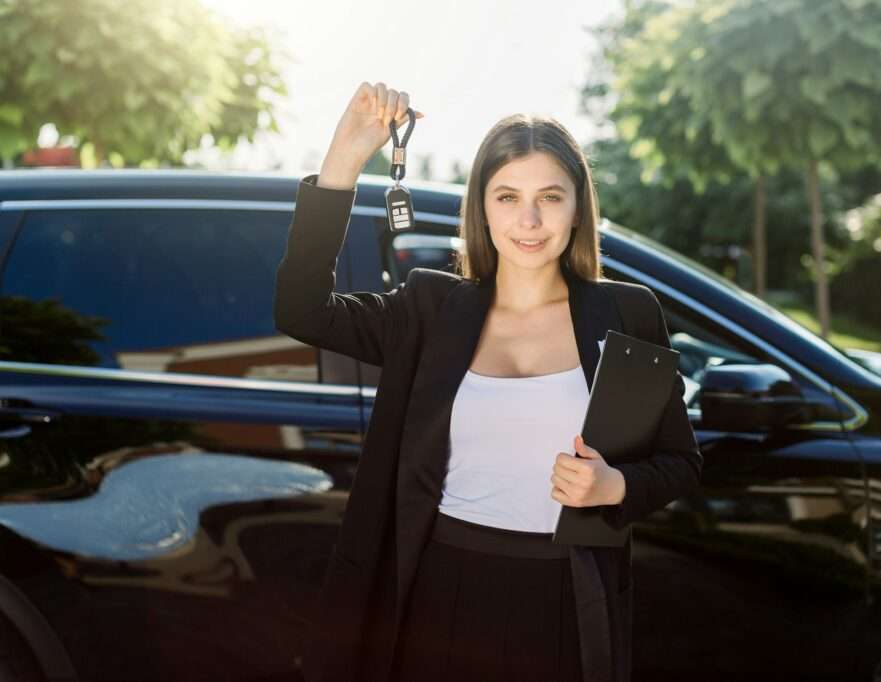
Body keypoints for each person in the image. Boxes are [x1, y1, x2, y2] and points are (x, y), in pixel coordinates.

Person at [274, 81, 703, 682]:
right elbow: (301, 311)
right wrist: (345, 160)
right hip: (438, 592)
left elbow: (682, 462)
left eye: (550, 197)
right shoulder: (430, 306)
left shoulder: (627, 313)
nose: (528, 220)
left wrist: (614, 487)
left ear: (579, 206)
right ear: (481, 207)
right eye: (507, 197)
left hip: (568, 599)